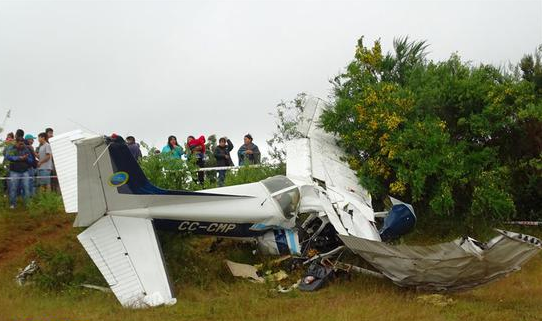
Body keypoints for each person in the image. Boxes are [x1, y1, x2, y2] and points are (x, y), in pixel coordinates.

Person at [5, 137, 35, 209]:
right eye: (20, 143)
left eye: (23, 143)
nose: (21, 145)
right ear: (16, 142)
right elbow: (8, 156)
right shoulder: (11, 148)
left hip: (25, 171)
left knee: (26, 188)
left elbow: (31, 160)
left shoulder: (26, 149)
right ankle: (13, 204)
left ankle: (27, 204)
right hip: (14, 172)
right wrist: (19, 158)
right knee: (13, 188)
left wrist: (26, 158)